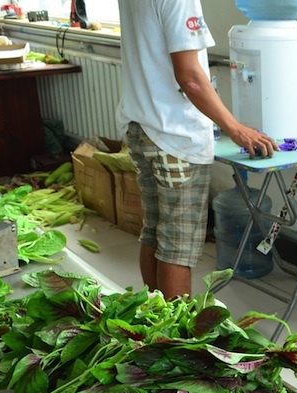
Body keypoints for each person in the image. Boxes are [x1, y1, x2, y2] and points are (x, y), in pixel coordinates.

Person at [116, 0, 277, 299]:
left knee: (154, 232)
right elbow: (190, 77)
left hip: (142, 125)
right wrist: (235, 128)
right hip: (174, 135)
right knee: (178, 246)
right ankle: (176, 329)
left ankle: (153, 319)